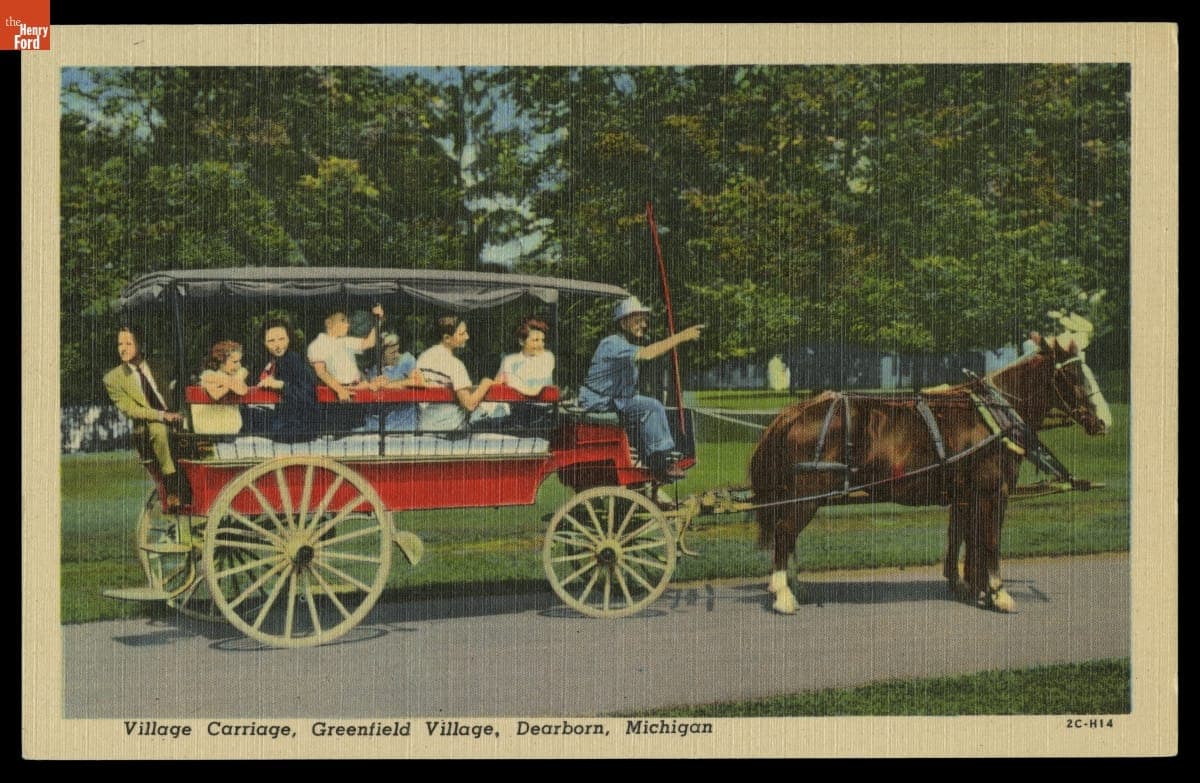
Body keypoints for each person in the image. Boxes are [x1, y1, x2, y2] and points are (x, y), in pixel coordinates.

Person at [579, 296, 703, 481]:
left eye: (644, 320)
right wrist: (682, 336)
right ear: (623, 323)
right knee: (652, 406)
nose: (643, 324)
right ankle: (660, 462)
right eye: (637, 320)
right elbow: (647, 354)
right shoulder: (612, 343)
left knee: (648, 406)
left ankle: (652, 455)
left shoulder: (625, 345)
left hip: (614, 401)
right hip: (599, 402)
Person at [103, 326, 187, 509]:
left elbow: (182, 387)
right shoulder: (112, 378)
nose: (122, 348)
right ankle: (172, 487)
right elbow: (131, 409)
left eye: (128, 343)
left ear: (140, 345)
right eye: (119, 344)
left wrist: (178, 413)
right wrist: (161, 415)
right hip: (149, 425)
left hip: (177, 416)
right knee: (158, 428)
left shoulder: (160, 364)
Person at [415, 315, 494, 432]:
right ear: (447, 338)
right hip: (450, 430)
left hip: (425, 426)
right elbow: (469, 404)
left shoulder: (423, 357)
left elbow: (438, 385)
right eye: (462, 334)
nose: (467, 337)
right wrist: (486, 384)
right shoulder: (455, 365)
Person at [256, 318, 323, 442]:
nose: (277, 345)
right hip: (282, 424)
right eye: (271, 340)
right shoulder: (272, 361)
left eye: (281, 339)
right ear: (264, 342)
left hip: (295, 428)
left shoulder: (293, 360)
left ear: (289, 339)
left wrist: (281, 385)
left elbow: (308, 395)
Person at [307, 305, 385, 402]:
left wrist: (378, 320)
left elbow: (369, 342)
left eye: (347, 321)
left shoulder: (345, 341)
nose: (347, 325)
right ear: (329, 323)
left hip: (355, 391)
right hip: (334, 396)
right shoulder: (317, 345)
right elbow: (321, 372)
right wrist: (340, 390)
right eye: (343, 320)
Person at [492, 317, 556, 431]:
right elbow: (496, 386)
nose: (541, 344)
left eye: (542, 340)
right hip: (516, 415)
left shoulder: (547, 357)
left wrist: (510, 379)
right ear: (521, 341)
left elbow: (534, 390)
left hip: (541, 415)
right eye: (535, 340)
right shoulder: (509, 360)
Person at [360, 331, 425, 432]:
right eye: (392, 352)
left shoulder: (406, 359)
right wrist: (372, 385)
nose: (396, 355)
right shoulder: (373, 368)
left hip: (403, 425)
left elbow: (419, 381)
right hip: (376, 425)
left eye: (397, 350)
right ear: (381, 353)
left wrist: (389, 385)